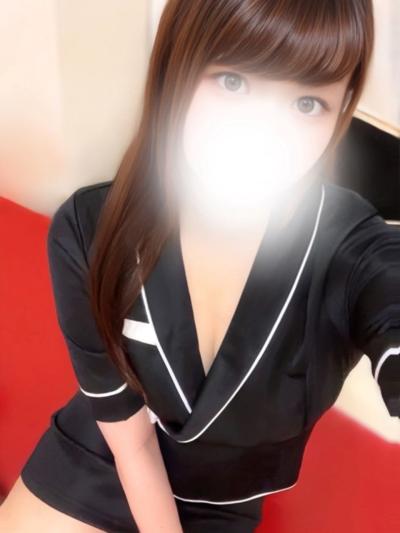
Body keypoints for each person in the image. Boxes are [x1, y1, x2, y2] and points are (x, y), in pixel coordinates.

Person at [2, 1, 399, 532]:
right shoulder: (89, 229)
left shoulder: (351, 250)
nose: (263, 135)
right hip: (99, 463)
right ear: (177, 69)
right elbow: (129, 440)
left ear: (341, 110)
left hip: (222, 504)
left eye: (308, 103)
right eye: (233, 82)